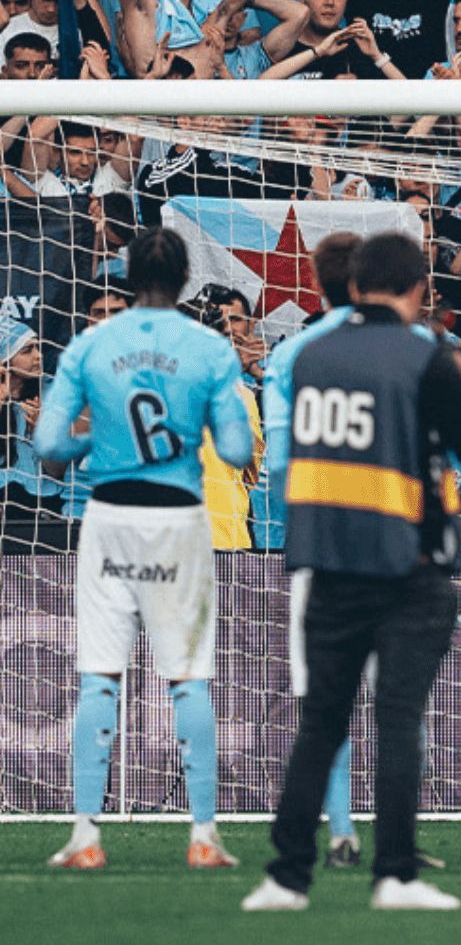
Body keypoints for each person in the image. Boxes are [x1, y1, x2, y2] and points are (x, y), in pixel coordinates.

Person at [245, 231, 461, 912]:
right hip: (406, 565)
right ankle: (395, 873)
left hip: (327, 560)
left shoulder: (312, 354)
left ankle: (286, 874)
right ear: (418, 290)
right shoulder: (427, 357)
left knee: (320, 721)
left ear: (355, 287)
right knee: (397, 719)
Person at [36, 228, 253, 872]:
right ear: (186, 280)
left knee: (99, 675)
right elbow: (239, 453)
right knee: (188, 677)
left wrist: (97, 444)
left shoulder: (91, 344)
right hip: (180, 516)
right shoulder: (211, 347)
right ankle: (204, 836)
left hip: (109, 513)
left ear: (128, 277)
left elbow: (49, 444)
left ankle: (84, 836)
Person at [259, 230, 370, 871]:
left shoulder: (292, 354)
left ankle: (340, 831)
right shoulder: (407, 347)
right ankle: (401, 837)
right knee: (399, 690)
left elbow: (277, 462)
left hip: (320, 536)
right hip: (391, 537)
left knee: (324, 690)